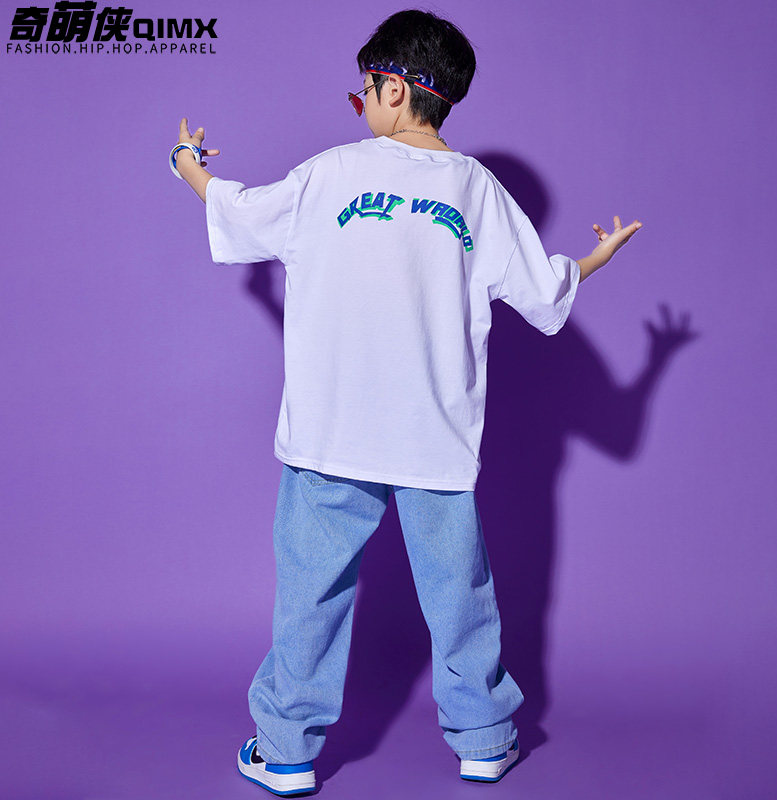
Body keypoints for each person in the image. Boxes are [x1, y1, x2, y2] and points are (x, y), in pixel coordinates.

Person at [170, 9, 642, 796]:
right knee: (460, 597)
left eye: (363, 91)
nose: (360, 105)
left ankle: (286, 753)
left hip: (330, 433)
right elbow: (545, 292)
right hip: (434, 437)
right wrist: (595, 258)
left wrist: (185, 161)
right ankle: (484, 740)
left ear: (393, 88)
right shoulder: (477, 191)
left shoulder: (330, 174)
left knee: (312, 593)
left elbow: (238, 208)